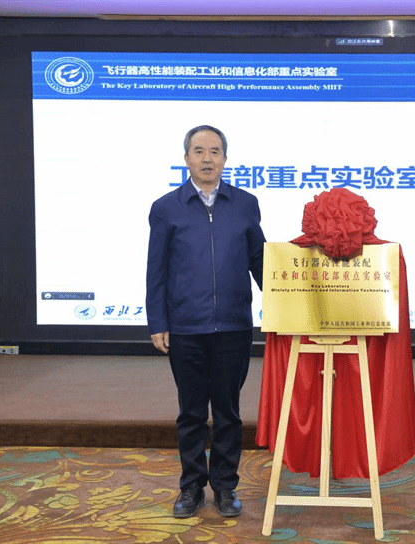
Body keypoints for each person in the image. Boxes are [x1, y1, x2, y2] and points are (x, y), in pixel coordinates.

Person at [146, 125, 265, 519]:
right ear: (186, 159)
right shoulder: (166, 207)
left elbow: (259, 261)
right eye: (199, 151)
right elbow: (157, 269)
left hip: (233, 327)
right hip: (186, 328)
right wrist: (157, 320)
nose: (207, 158)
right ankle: (192, 487)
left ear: (225, 159)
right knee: (192, 412)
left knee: (228, 412)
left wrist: (287, 300)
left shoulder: (245, 204)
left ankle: (226, 487)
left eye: (215, 151)